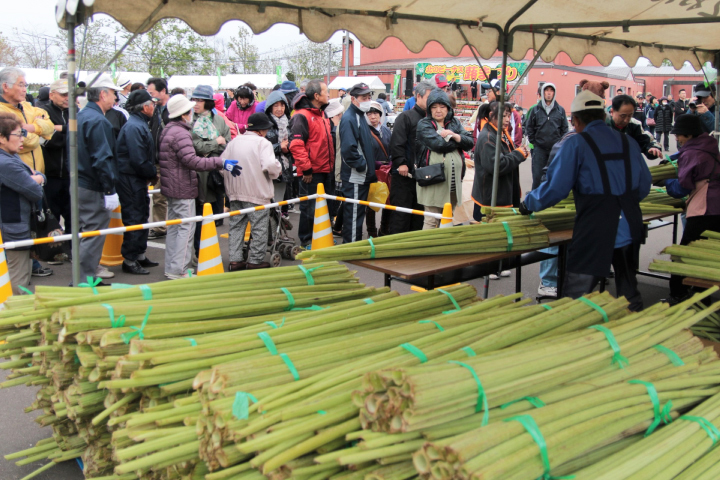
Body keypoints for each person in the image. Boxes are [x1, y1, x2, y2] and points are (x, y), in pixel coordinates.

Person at [521, 90, 651, 311]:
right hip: (630, 223)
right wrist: (622, 202)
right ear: (604, 117)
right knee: (629, 291)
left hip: (595, 226)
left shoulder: (576, 144)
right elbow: (644, 186)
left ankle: (576, 338)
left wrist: (528, 203)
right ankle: (634, 335)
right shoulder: (629, 142)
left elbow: (555, 189)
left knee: (577, 297)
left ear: (575, 120)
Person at [159, 94, 241, 280]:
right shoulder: (181, 133)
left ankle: (172, 267)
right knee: (186, 229)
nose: (191, 111)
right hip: (183, 187)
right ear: (183, 113)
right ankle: (180, 270)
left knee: (175, 228)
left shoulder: (169, 129)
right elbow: (192, 161)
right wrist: (220, 162)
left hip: (171, 186)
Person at [662, 115, 720, 303]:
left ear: (689, 134)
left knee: (684, 254)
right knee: (707, 255)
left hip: (704, 208)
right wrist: (672, 159)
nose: (677, 139)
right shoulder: (710, 145)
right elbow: (688, 154)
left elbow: (682, 188)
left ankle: (677, 295)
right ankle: (703, 297)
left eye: (679, 135)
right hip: (718, 207)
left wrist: (665, 182)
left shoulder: (692, 154)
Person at [76, 74, 124, 284]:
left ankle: (84, 276)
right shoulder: (97, 121)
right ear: (102, 94)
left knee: (87, 232)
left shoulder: (81, 116)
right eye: (113, 93)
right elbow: (102, 159)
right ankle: (84, 281)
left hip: (80, 182)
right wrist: (109, 190)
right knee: (93, 234)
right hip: (93, 185)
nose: (115, 98)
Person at [223, 112, 282, 270]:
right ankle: (255, 261)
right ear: (262, 130)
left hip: (235, 192)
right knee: (259, 227)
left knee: (236, 226)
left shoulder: (235, 142)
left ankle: (235, 260)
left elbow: (222, 164)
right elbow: (269, 165)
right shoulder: (263, 143)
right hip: (257, 192)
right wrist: (278, 171)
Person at [0, 113, 45, 294]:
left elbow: (33, 177)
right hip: (12, 226)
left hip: (13, 224)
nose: (23, 139)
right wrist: (38, 178)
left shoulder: (11, 157)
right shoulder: (6, 163)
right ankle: (16, 317)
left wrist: (35, 177)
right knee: (18, 279)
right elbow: (36, 191)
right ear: (2, 138)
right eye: (18, 134)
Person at [115, 89, 159, 275]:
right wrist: (152, 173)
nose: (154, 107)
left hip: (136, 178)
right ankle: (130, 259)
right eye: (152, 104)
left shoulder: (138, 124)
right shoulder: (134, 126)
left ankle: (139, 254)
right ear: (145, 107)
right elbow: (138, 158)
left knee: (141, 215)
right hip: (130, 178)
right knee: (134, 216)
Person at [416, 89, 474, 229]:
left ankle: (441, 248)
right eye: (434, 107)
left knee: (447, 218)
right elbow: (439, 144)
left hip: (453, 181)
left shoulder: (454, 122)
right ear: (429, 109)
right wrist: (459, 140)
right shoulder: (424, 124)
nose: (438, 110)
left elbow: (470, 142)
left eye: (442, 107)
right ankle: (427, 250)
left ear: (448, 108)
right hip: (433, 179)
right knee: (431, 220)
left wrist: (454, 136)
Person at [288, 79, 333, 247]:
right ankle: (306, 239)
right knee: (309, 207)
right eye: (325, 91)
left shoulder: (322, 114)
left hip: (325, 169)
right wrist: (306, 169)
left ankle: (321, 237)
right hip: (311, 172)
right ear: (316, 95)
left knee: (324, 206)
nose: (328, 94)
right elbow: (296, 145)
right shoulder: (301, 116)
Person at [189, 85, 231, 257]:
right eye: (194, 100)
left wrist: (213, 148)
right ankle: (200, 252)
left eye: (200, 100)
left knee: (215, 213)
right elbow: (195, 146)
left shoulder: (219, 120)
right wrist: (214, 143)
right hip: (198, 174)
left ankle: (210, 251)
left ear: (208, 102)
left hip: (217, 172)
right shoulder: (190, 120)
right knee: (200, 214)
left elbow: (227, 141)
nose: (196, 103)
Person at [387, 81, 433, 234]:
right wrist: (401, 163)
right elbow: (397, 142)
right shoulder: (406, 117)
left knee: (418, 215)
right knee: (401, 214)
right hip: (404, 175)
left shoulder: (430, 119)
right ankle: (395, 249)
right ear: (418, 96)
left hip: (422, 176)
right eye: (428, 97)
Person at [472, 101, 529, 217]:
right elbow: (498, 165)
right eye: (503, 116)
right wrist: (518, 154)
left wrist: (521, 154)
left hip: (502, 194)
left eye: (508, 116)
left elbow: (507, 156)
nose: (507, 119)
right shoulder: (487, 138)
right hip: (491, 199)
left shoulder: (501, 132)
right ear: (492, 115)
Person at [339, 82, 377, 243]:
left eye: (369, 97)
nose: (367, 100)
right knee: (354, 214)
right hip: (356, 176)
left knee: (356, 212)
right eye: (363, 97)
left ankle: (353, 244)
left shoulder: (360, 115)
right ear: (353, 99)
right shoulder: (350, 118)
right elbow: (349, 151)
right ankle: (351, 247)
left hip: (361, 175)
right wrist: (363, 166)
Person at [39, 79, 71, 241]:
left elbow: (80, 134)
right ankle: (55, 251)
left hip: (71, 174)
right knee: (52, 216)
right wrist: (70, 131)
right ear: (52, 95)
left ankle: (72, 249)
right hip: (50, 174)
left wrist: (62, 129)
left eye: (69, 94)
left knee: (72, 215)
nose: (67, 98)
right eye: (63, 94)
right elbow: (50, 139)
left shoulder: (75, 111)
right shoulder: (43, 112)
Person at [525, 83, 568, 190]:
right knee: (537, 176)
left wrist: (560, 144)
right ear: (543, 93)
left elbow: (565, 129)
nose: (549, 93)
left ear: (554, 93)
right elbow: (529, 127)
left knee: (554, 176)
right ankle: (535, 202)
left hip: (555, 149)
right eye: (546, 90)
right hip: (539, 149)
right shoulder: (536, 110)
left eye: (551, 90)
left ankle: (551, 201)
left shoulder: (560, 110)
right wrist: (534, 142)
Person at [147, 77, 171, 240]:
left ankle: (160, 226)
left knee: (162, 196)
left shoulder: (172, 109)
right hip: (155, 158)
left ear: (163, 91)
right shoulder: (154, 109)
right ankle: (159, 225)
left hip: (167, 159)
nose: (151, 97)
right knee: (158, 196)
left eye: (152, 93)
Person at [263, 89, 294, 219]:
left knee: (282, 200)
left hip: (285, 165)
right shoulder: (265, 123)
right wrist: (279, 147)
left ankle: (279, 229)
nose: (279, 109)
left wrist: (289, 147)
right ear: (270, 107)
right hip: (269, 167)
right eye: (276, 105)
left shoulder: (290, 122)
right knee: (270, 203)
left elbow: (295, 141)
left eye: (282, 105)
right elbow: (261, 146)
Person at [606, 95, 663, 160]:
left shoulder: (634, 124)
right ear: (612, 111)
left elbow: (646, 141)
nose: (626, 120)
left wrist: (653, 148)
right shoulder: (602, 125)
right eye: (622, 116)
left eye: (630, 116)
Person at [365, 101, 392, 236]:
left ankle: (384, 229)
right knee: (371, 203)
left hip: (387, 171)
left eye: (375, 113)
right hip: (372, 171)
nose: (373, 116)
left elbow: (392, 147)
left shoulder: (386, 130)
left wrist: (391, 161)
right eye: (369, 114)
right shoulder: (364, 132)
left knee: (388, 201)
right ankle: (371, 231)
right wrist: (375, 164)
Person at [326, 99, 345, 237]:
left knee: (337, 198)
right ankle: (332, 224)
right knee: (335, 197)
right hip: (332, 168)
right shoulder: (333, 128)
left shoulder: (332, 127)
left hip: (332, 168)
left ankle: (334, 224)